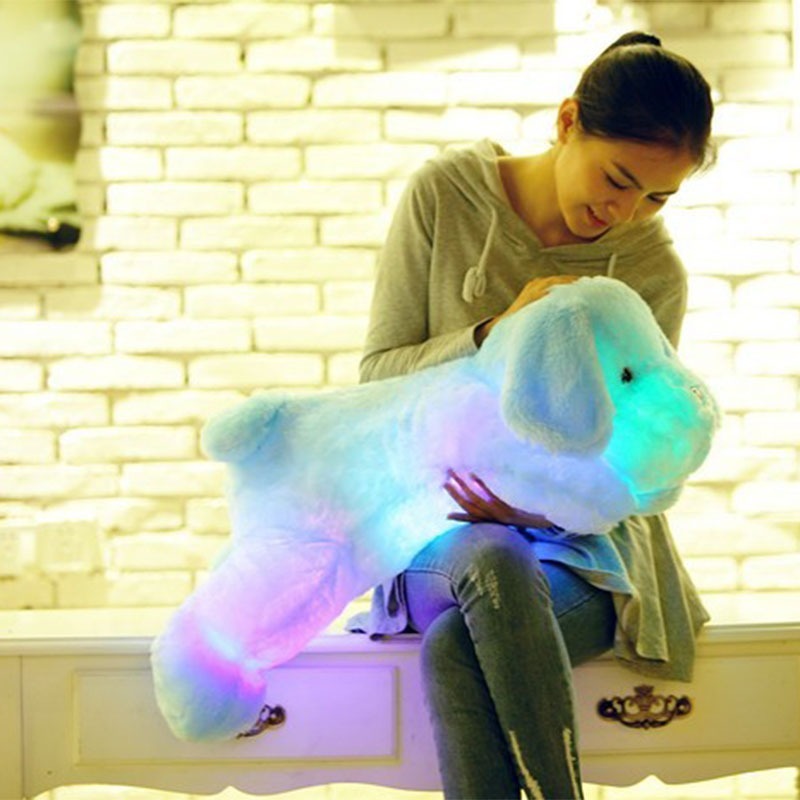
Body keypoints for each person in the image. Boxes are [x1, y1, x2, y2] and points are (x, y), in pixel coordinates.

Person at [348, 31, 715, 800]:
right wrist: (494, 333)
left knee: (457, 648)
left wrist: (541, 506)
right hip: (440, 526)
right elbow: (377, 379)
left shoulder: (652, 271)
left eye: (656, 198)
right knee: (494, 561)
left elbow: (643, 457)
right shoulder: (447, 197)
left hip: (583, 551)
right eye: (618, 179)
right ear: (567, 120)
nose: (626, 213)